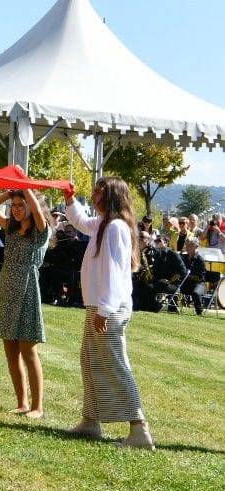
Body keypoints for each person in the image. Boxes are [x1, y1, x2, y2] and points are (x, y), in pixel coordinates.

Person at [63, 176, 153, 449]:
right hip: (100, 306)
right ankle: (91, 421)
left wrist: (104, 309)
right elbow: (81, 222)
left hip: (109, 308)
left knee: (115, 365)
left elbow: (114, 272)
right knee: (89, 361)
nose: (93, 197)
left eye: (98, 193)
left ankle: (139, 429)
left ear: (112, 196)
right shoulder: (104, 224)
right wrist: (69, 199)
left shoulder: (114, 227)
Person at [0, 188, 51, 418]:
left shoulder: (41, 231)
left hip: (27, 291)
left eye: (22, 205)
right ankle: (22, 402)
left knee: (29, 351)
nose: (17, 210)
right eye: (15, 206)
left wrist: (26, 188)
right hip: (7, 289)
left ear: (32, 206)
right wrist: (9, 194)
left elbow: (38, 211)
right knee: (10, 350)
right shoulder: (10, 226)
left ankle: (37, 407)